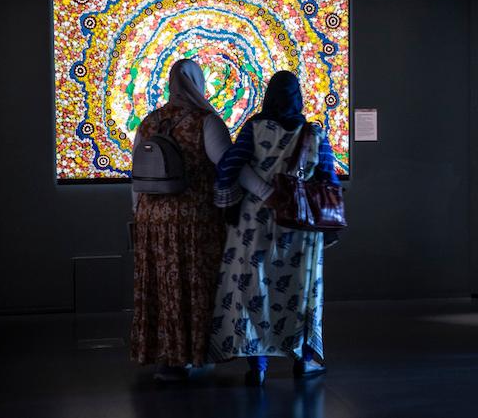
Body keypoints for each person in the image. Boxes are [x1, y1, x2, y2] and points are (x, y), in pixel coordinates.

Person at [130, 59, 270, 381]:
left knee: (164, 287)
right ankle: (195, 353)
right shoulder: (205, 121)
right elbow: (230, 164)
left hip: (154, 221)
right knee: (195, 285)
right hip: (194, 222)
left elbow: (134, 178)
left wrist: (139, 214)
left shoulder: (149, 123)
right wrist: (266, 191)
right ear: (197, 83)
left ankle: (169, 360)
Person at [207, 70, 340, 386]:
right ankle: (304, 362)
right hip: (299, 228)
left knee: (255, 290)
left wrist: (231, 202)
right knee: (301, 292)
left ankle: (258, 367)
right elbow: (329, 180)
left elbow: (229, 165)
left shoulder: (254, 129)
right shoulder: (314, 133)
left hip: (256, 223)